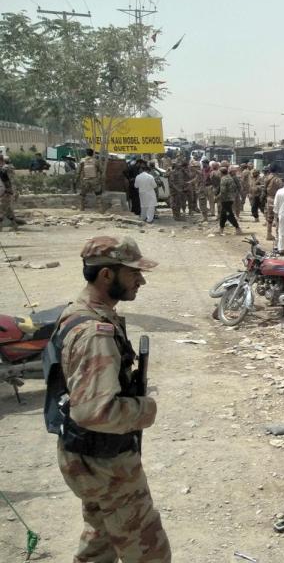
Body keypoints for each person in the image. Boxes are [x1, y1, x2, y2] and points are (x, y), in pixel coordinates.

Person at [46, 236, 171, 562]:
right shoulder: (94, 332)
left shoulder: (79, 312)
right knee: (150, 552)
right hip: (105, 460)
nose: (141, 280)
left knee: (100, 538)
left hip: (85, 455)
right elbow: (93, 412)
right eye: (133, 273)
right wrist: (145, 409)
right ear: (106, 275)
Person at [218, 166, 242, 235]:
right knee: (223, 215)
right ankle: (221, 229)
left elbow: (223, 191)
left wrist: (216, 198)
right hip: (231, 198)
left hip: (225, 200)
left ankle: (237, 228)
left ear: (221, 173)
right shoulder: (230, 178)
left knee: (229, 215)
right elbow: (235, 188)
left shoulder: (223, 179)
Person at [265, 171, 283, 244]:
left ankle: (268, 234)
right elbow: (281, 188)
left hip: (269, 198)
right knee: (277, 217)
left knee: (270, 217)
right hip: (276, 198)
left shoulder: (267, 178)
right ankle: (277, 235)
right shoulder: (277, 179)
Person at [0, 157, 17, 231]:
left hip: (7, 192)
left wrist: (7, 191)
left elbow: (9, 181)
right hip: (8, 192)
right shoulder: (7, 168)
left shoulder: (4, 169)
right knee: (8, 210)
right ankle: (14, 225)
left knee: (1, 210)